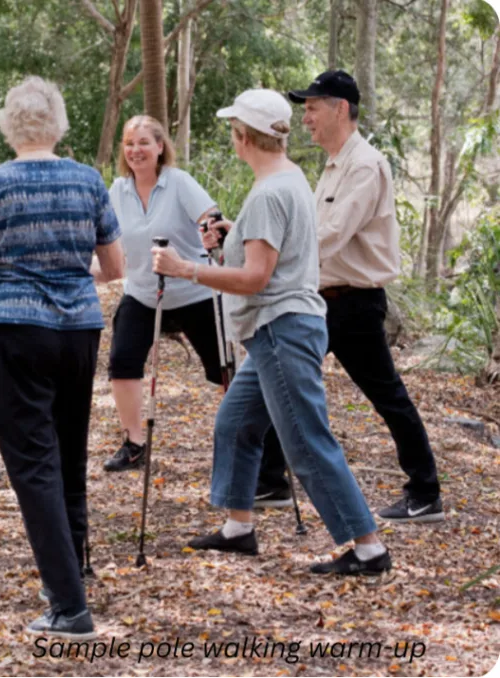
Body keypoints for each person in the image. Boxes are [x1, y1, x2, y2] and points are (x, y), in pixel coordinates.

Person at [152, 88, 392, 576]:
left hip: (283, 330)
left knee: (306, 442)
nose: (232, 139)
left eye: (234, 132)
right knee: (234, 423)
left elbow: (256, 278)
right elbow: (270, 252)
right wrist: (231, 235)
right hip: (279, 329)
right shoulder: (289, 179)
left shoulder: (268, 192)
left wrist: (186, 269)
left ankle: (369, 549)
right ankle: (239, 529)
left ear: (244, 137)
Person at [0, 76, 124, 638]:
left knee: (33, 463)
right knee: (69, 452)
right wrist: (65, 270)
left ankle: (69, 606)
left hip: (16, 329)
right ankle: (72, 572)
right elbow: (114, 266)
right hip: (79, 329)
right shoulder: (87, 181)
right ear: (58, 124)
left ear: (9, 126)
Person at [251, 70, 443, 523]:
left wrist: (267, 257)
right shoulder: (334, 165)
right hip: (323, 299)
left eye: (313, 108)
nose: (306, 119)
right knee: (281, 377)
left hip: (352, 303)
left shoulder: (365, 165)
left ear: (341, 108)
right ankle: (269, 479)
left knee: (385, 395)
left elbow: (330, 237)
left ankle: (426, 491)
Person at [101, 114, 241, 471]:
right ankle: (134, 444)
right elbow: (106, 245)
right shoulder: (118, 190)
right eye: (130, 144)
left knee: (224, 371)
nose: (136, 150)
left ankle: (250, 442)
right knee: (122, 362)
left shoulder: (178, 182)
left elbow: (212, 220)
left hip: (194, 289)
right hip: (144, 293)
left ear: (161, 147)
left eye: (144, 143)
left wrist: (212, 234)